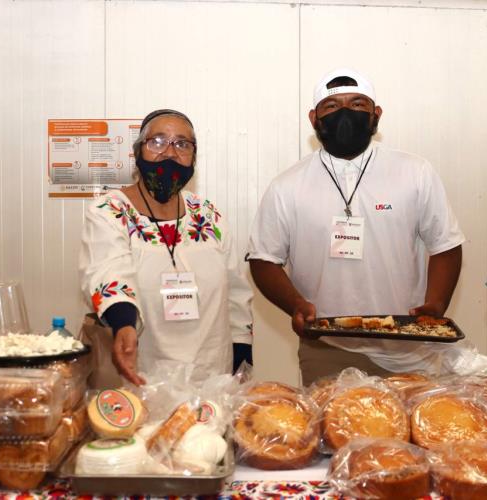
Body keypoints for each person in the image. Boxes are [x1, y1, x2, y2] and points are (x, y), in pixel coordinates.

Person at [246, 69, 464, 385]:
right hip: (327, 348)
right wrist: (295, 305)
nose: (345, 113)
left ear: (376, 115)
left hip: (409, 350)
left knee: (408, 433)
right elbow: (264, 260)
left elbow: (446, 244)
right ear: (313, 118)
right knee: (333, 433)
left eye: (358, 104)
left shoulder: (414, 172)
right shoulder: (287, 187)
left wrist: (435, 305)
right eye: (332, 106)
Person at [79, 109, 253, 385]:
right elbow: (109, 271)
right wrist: (123, 323)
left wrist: (243, 356)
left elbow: (236, 291)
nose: (170, 153)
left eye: (182, 144)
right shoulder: (109, 211)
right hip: (143, 378)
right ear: (137, 153)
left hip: (212, 379)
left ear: (193, 157)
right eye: (158, 142)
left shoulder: (207, 215)